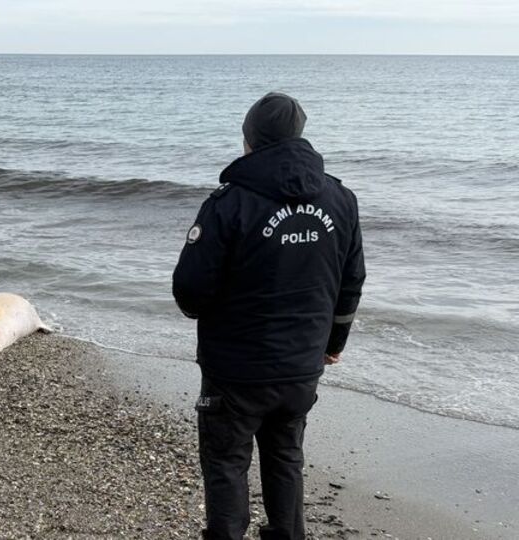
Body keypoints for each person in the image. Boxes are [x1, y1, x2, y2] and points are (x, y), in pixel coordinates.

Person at [172, 92, 365, 540]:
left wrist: (197, 312)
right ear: (298, 136)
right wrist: (333, 344)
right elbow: (351, 282)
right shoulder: (340, 199)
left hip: (236, 371)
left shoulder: (228, 203)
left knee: (226, 462)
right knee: (285, 457)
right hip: (300, 365)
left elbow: (191, 289)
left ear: (249, 140)